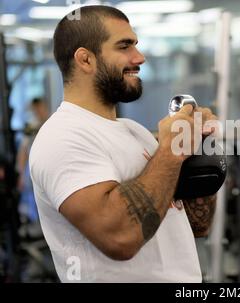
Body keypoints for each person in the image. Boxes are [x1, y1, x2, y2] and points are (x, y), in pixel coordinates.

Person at [29, 5, 217, 282]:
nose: (139, 58)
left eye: (136, 45)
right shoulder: (62, 137)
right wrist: (170, 151)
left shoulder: (135, 132)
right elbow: (121, 238)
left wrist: (197, 151)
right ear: (85, 60)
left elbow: (197, 225)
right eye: (124, 46)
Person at [16, 97, 50, 223]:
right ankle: (39, 225)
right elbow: (23, 151)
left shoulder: (53, 122)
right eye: (36, 109)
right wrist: (20, 174)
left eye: (41, 108)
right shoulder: (31, 127)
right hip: (36, 168)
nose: (39, 111)